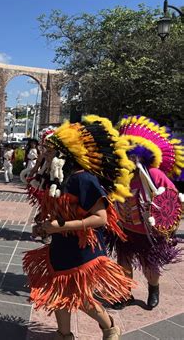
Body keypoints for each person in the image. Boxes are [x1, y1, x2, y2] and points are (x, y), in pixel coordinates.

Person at [23, 115, 137, 340]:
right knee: (58, 295)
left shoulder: (85, 180)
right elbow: (53, 211)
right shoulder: (57, 180)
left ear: (64, 155)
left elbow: (101, 218)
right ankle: (64, 335)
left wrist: (60, 226)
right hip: (60, 248)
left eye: (51, 151)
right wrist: (43, 227)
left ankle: (109, 327)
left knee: (82, 297)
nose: (46, 154)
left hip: (83, 250)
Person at [109, 116, 183, 310]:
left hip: (149, 232)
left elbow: (172, 198)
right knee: (123, 262)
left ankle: (154, 289)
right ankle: (125, 294)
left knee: (151, 267)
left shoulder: (155, 175)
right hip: (125, 229)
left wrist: (160, 215)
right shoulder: (119, 176)